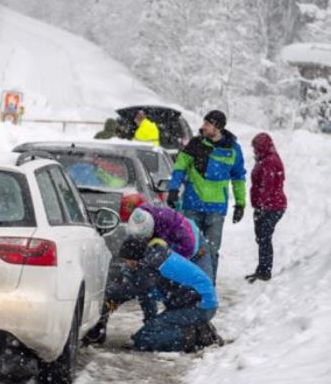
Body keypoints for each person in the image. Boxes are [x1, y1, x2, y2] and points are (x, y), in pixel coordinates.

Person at [167, 110, 246, 281]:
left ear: (217, 127)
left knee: (211, 252)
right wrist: (173, 189)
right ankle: (186, 287)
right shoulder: (196, 144)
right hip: (192, 205)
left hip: (216, 209)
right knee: (188, 247)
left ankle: (208, 287)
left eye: (207, 124)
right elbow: (180, 166)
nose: (203, 127)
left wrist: (240, 204)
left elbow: (239, 177)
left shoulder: (233, 149)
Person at [105, 236, 219, 352]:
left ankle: (198, 336)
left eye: (126, 260)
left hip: (202, 306)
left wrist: (106, 295)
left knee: (145, 339)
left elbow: (130, 290)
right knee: (143, 335)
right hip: (192, 303)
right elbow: (144, 295)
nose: (125, 264)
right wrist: (151, 324)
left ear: (134, 258)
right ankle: (193, 329)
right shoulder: (153, 258)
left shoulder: (150, 267)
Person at [245, 133, 286, 283]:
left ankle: (265, 271)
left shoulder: (269, 161)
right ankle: (262, 268)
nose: (254, 150)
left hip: (271, 207)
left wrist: (262, 207)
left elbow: (267, 187)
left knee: (264, 237)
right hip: (268, 205)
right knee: (262, 237)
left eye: (256, 147)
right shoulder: (266, 158)